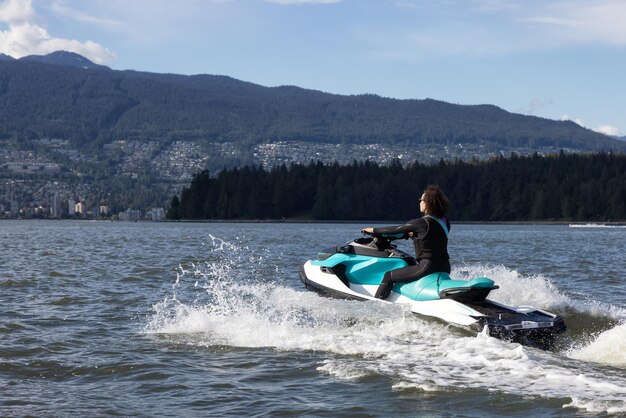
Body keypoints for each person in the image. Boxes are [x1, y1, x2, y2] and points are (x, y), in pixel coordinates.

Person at [362, 185, 451, 300]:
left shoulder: (421, 222)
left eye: (421, 200)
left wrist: (373, 230)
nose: (419, 202)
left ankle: (375, 306)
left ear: (428, 203)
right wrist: (413, 236)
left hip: (427, 266)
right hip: (444, 266)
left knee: (389, 276)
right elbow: (431, 239)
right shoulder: (445, 223)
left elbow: (395, 229)